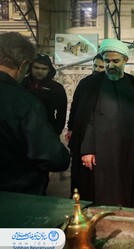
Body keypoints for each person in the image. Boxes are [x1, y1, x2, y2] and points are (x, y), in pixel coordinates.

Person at [67, 38, 134, 207]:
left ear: (125, 60)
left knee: (126, 185)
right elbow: (88, 119)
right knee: (102, 189)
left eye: (116, 61)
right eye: (107, 61)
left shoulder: (133, 83)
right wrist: (87, 150)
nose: (111, 65)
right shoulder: (93, 84)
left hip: (127, 148)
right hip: (101, 149)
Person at [0, 32, 70, 195]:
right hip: (17, 196)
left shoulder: (55, 89)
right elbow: (54, 158)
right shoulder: (25, 103)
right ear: (24, 65)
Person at [21, 54, 67, 136]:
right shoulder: (22, 84)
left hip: (47, 131)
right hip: (23, 131)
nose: (40, 71)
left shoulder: (56, 88)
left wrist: (56, 132)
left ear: (49, 70)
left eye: (44, 69)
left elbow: (61, 113)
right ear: (30, 67)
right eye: (36, 68)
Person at [65, 53, 105, 143]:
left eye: (101, 67)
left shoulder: (109, 86)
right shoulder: (84, 82)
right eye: (95, 65)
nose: (97, 69)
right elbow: (75, 105)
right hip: (82, 127)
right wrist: (70, 128)